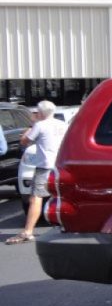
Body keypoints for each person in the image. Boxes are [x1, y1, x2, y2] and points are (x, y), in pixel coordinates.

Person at [5, 101, 68, 245]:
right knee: (60, 196)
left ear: (40, 113)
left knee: (36, 197)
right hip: (60, 165)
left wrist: (31, 125)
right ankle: (66, 226)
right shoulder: (62, 125)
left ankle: (28, 231)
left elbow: (24, 141)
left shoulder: (40, 125)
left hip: (45, 166)